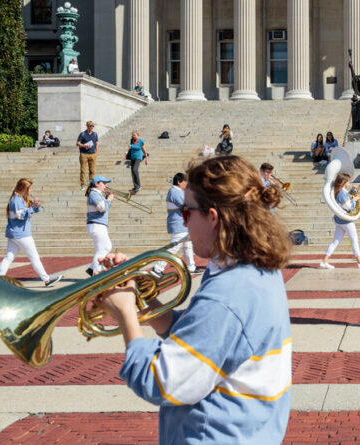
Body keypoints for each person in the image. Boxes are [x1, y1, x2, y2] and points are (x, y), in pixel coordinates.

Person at [97, 155, 293, 444]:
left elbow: (160, 381)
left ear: (213, 218)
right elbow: (205, 338)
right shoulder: (253, 269)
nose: (184, 222)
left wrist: (125, 312)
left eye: (187, 213)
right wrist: (141, 298)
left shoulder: (227, 295)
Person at [0, 179, 62, 287]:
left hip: (15, 234)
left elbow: (30, 210)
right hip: (22, 234)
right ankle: (47, 280)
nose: (31, 191)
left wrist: (36, 206)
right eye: (30, 188)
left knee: (9, 257)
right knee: (34, 257)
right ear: (24, 188)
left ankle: (0, 276)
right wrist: (32, 208)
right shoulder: (16, 199)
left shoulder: (19, 199)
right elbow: (21, 215)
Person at [320, 173, 360, 269]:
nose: (349, 182)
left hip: (339, 220)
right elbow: (348, 206)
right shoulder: (341, 193)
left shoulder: (338, 191)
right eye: (348, 181)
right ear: (344, 182)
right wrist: (355, 199)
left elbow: (346, 200)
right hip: (346, 221)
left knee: (336, 241)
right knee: (354, 240)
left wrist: (353, 191)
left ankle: (324, 260)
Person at [151, 173, 198, 277]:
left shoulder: (177, 191)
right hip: (178, 224)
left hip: (181, 224)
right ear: (179, 182)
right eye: (186, 182)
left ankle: (191, 268)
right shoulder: (175, 192)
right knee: (173, 248)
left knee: (187, 246)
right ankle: (157, 269)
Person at [85, 175, 114, 276]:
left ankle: (92, 268)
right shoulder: (94, 194)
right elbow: (102, 208)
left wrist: (107, 199)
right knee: (101, 251)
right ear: (97, 184)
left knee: (107, 246)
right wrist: (109, 199)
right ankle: (95, 274)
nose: (105, 185)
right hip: (97, 225)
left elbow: (103, 207)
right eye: (104, 183)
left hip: (99, 224)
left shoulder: (97, 194)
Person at [76, 120, 99, 190]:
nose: (91, 127)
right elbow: (77, 143)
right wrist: (85, 146)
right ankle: (82, 184)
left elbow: (97, 142)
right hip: (84, 154)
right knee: (83, 170)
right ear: (87, 126)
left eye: (92, 126)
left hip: (92, 154)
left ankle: (91, 184)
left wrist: (97, 152)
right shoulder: (82, 134)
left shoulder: (95, 134)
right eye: (90, 126)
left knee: (92, 170)